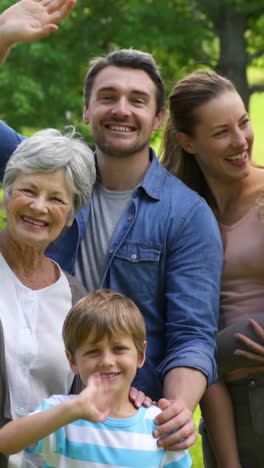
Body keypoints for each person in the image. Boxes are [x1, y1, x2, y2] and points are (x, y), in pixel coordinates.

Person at [0, 0, 224, 450]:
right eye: (107, 97)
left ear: (158, 119)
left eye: (137, 101)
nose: (121, 109)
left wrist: (178, 407)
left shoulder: (187, 215)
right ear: (85, 111)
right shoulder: (49, 174)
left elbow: (191, 334)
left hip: (123, 434)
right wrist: (2, 39)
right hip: (39, 420)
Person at [160, 69, 264, 467]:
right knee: (201, 351)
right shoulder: (181, 214)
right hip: (221, 401)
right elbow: (194, 338)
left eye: (244, 123)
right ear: (188, 142)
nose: (241, 142)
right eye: (222, 132)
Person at [0, 289, 193, 467]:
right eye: (93, 351)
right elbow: (6, 442)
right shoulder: (62, 415)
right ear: (73, 361)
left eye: (119, 349)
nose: (107, 361)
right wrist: (71, 410)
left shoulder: (160, 425)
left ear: (141, 355)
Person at [0, 127, 96, 468]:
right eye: (28, 191)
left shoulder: (75, 299)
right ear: (6, 197)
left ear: (70, 217)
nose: (39, 207)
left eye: (56, 199)